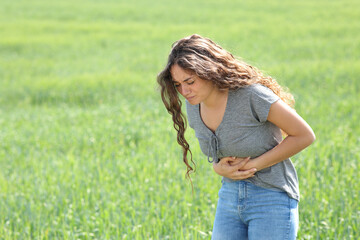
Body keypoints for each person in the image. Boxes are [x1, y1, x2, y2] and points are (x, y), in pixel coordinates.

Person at [157, 34, 315, 240]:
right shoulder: (194, 104)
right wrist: (217, 167)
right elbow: (220, 154)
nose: (184, 91)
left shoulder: (252, 96)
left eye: (190, 81)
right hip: (229, 197)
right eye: (178, 84)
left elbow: (304, 135)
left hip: (272, 198)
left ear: (209, 72)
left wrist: (254, 165)